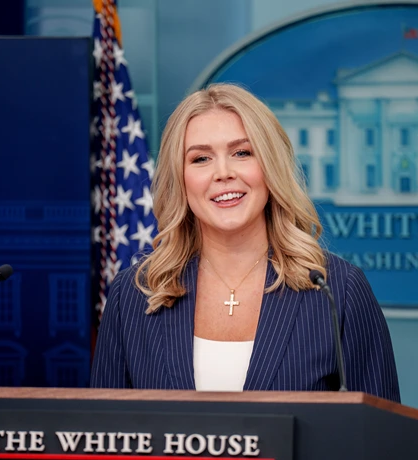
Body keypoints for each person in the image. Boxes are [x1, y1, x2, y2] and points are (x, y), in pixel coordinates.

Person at [90, 82, 401, 402]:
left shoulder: (337, 289)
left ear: (270, 167)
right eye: (200, 159)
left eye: (242, 153)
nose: (222, 173)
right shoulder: (134, 293)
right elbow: (100, 438)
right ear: (180, 178)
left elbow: (380, 441)